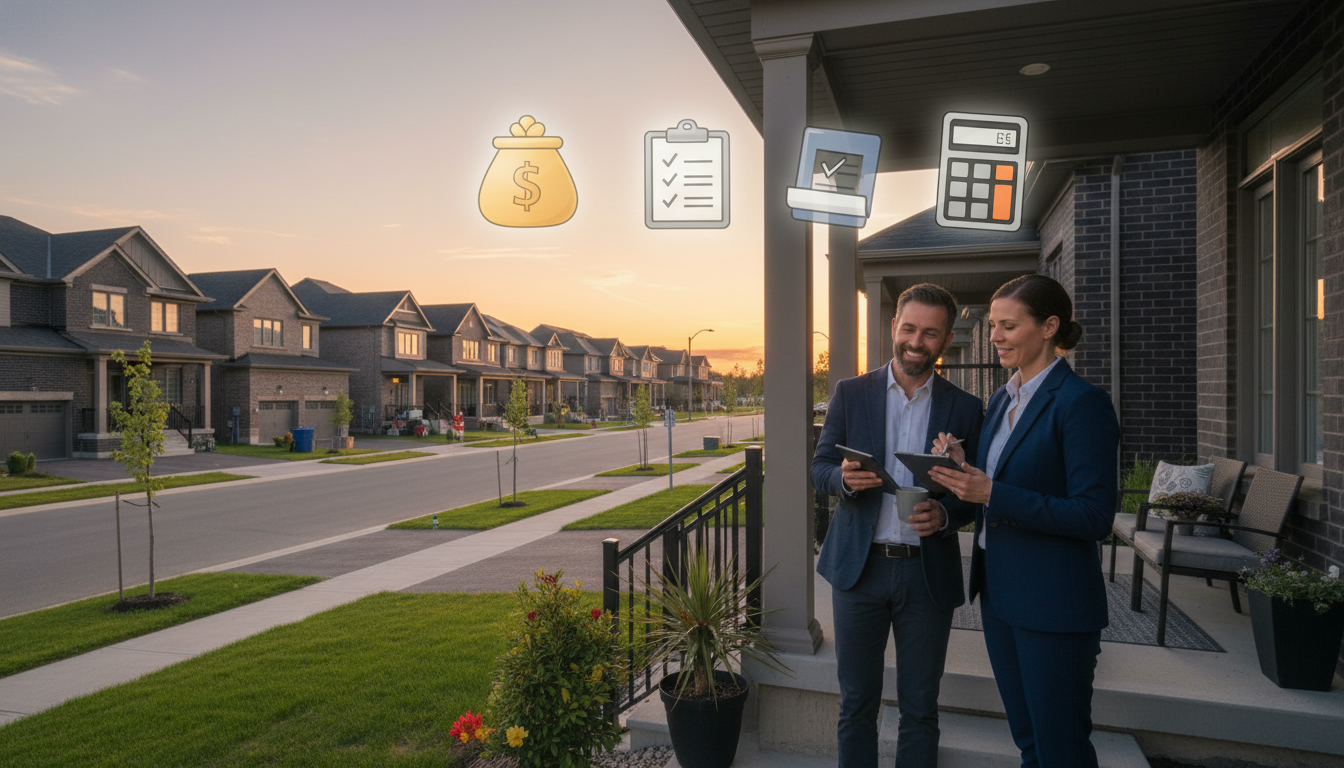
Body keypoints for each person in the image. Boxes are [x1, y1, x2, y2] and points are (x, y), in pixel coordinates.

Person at [928, 274, 1119, 768]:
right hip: (999, 598)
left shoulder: (1081, 404)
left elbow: (1094, 515)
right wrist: (961, 471)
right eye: (993, 326)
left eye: (1008, 326)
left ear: (1049, 326)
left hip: (1054, 605)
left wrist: (992, 490)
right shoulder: (1001, 400)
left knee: (1062, 749)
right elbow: (996, 488)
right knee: (1029, 743)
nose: (995, 336)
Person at [812, 283, 985, 767]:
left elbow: (979, 494)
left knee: (921, 709)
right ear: (894, 327)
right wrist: (844, 481)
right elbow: (819, 468)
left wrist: (948, 513)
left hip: (926, 575)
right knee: (856, 706)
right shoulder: (851, 392)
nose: (916, 341)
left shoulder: (966, 408)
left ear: (946, 340)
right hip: (858, 571)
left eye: (930, 333)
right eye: (908, 328)